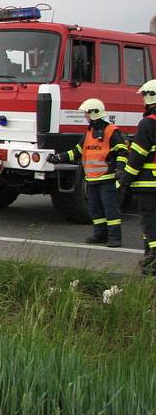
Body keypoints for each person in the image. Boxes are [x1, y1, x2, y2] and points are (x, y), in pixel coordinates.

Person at [46, 99, 127, 247]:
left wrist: (120, 168)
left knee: (110, 210)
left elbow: (122, 150)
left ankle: (115, 238)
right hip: (91, 179)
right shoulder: (89, 132)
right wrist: (58, 158)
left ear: (94, 113)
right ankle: (100, 235)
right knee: (95, 210)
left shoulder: (111, 131)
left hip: (107, 179)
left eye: (86, 113)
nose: (85, 116)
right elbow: (77, 151)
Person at [117, 79, 156, 275]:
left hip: (148, 184)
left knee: (149, 222)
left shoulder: (148, 124)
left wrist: (124, 180)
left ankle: (153, 259)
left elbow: (137, 157)